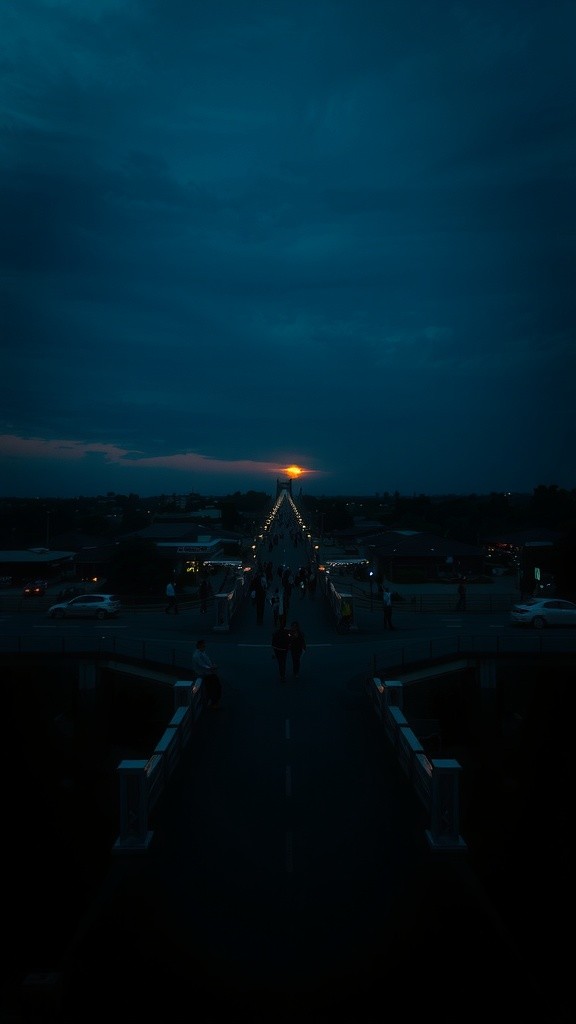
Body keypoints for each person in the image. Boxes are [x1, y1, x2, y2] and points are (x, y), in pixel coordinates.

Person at [192, 638, 222, 709]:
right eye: (203, 646)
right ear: (199, 646)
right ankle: (213, 703)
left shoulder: (202, 653)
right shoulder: (197, 655)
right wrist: (212, 668)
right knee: (214, 688)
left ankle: (213, 702)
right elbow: (202, 665)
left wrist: (212, 665)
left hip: (208, 674)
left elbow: (207, 662)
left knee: (214, 687)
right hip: (206, 675)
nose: (204, 647)